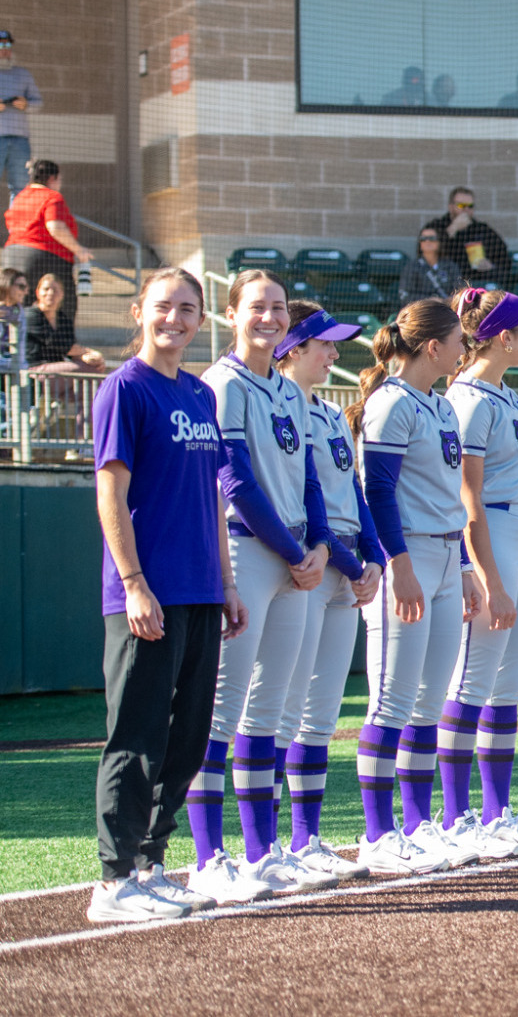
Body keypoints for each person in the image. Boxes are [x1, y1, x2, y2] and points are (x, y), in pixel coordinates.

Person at [86, 268, 247, 924]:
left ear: (201, 319)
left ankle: (151, 865)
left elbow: (211, 495)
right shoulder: (124, 389)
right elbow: (110, 492)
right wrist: (133, 583)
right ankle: (113, 881)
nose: (174, 319)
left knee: (188, 738)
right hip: (147, 593)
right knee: (136, 736)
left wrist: (227, 582)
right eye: (163, 306)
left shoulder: (199, 394)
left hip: (201, 591)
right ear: (138, 312)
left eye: (187, 309)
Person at [182, 269, 339, 903]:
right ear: (231, 314)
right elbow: (234, 480)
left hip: (294, 560)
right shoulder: (224, 383)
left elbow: (309, 481)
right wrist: (298, 551)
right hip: (246, 553)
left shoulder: (288, 390)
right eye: (256, 306)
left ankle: (260, 853)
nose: (269, 317)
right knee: (219, 713)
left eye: (277, 307)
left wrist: (319, 545)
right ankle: (206, 858)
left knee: (271, 713)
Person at [345, 298, 480, 874]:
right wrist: (396, 563)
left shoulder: (441, 404)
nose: (463, 350)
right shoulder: (391, 402)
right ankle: (378, 834)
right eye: (458, 341)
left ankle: (420, 826)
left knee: (428, 703)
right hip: (409, 555)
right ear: (432, 346)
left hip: (446, 554)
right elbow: (376, 491)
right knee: (392, 700)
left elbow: (449, 494)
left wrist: (466, 567)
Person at [270, 299, 383, 881]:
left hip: (345, 565)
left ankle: (306, 838)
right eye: (324, 344)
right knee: (283, 710)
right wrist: (349, 561)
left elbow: (354, 492)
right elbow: (303, 498)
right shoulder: (280, 407)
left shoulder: (332, 412)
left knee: (320, 716)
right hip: (310, 565)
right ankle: (267, 847)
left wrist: (374, 557)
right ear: (292, 349)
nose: (334, 353)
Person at [443, 290, 518, 857]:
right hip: (489, 534)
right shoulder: (467, 398)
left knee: (508, 687)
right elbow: (468, 497)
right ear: (504, 337)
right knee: (471, 681)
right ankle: (454, 815)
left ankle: (495, 812)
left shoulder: (506, 394)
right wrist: (489, 576)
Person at [5, 159, 93, 321]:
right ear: (53, 178)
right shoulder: (52, 197)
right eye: (60, 179)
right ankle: (61, 337)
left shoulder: (20, 197)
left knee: (20, 308)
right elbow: (55, 226)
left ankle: (21, 337)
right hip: (45, 258)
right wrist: (79, 250)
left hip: (12, 258)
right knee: (62, 308)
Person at [23, 274, 105, 373]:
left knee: (94, 366)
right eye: (46, 289)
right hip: (35, 369)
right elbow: (61, 345)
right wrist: (89, 352)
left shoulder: (63, 319)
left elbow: (72, 349)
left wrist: (94, 358)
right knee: (86, 369)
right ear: (37, 292)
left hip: (58, 367)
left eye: (55, 290)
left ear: (62, 294)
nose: (50, 293)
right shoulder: (30, 315)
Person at [422, 187, 508, 280]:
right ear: (451, 207)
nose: (466, 209)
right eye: (461, 205)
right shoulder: (436, 226)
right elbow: (424, 252)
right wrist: (453, 228)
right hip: (444, 279)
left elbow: (503, 256)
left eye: (470, 206)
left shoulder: (482, 229)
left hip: (475, 280)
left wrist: (491, 266)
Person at [0, 31, 42, 200]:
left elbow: (38, 103)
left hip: (20, 140)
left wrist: (26, 105)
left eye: (8, 44)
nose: (5, 49)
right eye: (1, 45)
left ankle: (18, 219)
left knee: (21, 188)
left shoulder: (23, 74)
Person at [398, 225, 460, 306]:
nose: (427, 241)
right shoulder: (412, 267)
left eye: (432, 238)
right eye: (423, 239)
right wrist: (428, 300)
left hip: (447, 309)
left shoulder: (450, 266)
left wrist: (449, 300)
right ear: (420, 244)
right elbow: (404, 295)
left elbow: (459, 290)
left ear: (439, 242)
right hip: (421, 310)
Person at [0, 267, 26, 372]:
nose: (25, 292)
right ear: (7, 285)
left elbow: (20, 350)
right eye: (21, 287)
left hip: (11, 369)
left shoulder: (19, 312)